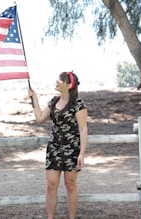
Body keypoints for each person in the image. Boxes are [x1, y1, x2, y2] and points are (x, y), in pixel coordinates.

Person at [28, 71, 88, 219]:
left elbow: (83, 129)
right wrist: (34, 99)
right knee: (51, 185)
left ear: (68, 85)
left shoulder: (78, 104)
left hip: (72, 150)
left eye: (60, 80)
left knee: (70, 185)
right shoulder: (53, 101)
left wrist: (82, 153)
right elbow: (40, 117)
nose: (56, 81)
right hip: (54, 149)